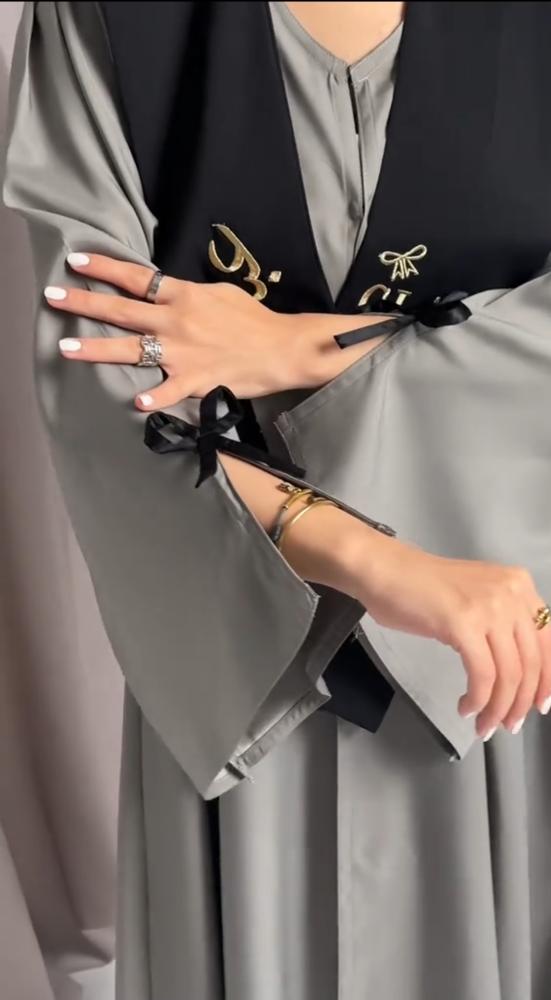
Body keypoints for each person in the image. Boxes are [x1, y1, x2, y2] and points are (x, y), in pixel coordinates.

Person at [4, 2, 551, 997]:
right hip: (242, 632)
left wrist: (302, 346)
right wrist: (377, 561)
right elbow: (94, 368)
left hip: (499, 628)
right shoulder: (101, 19)